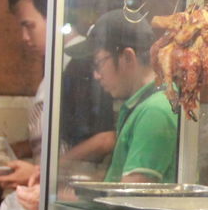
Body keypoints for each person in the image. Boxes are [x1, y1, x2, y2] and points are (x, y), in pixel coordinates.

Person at [0, 0, 116, 191]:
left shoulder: (82, 64)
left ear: (56, 16)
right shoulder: (59, 63)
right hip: (52, 190)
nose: (25, 37)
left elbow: (103, 138)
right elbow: (67, 134)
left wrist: (44, 171)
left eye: (29, 26)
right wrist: (17, 152)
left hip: (71, 194)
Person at [68, 9, 179, 183]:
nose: (97, 75)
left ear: (127, 57)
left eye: (99, 64)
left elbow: (132, 194)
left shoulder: (155, 111)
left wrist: (53, 196)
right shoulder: (145, 103)